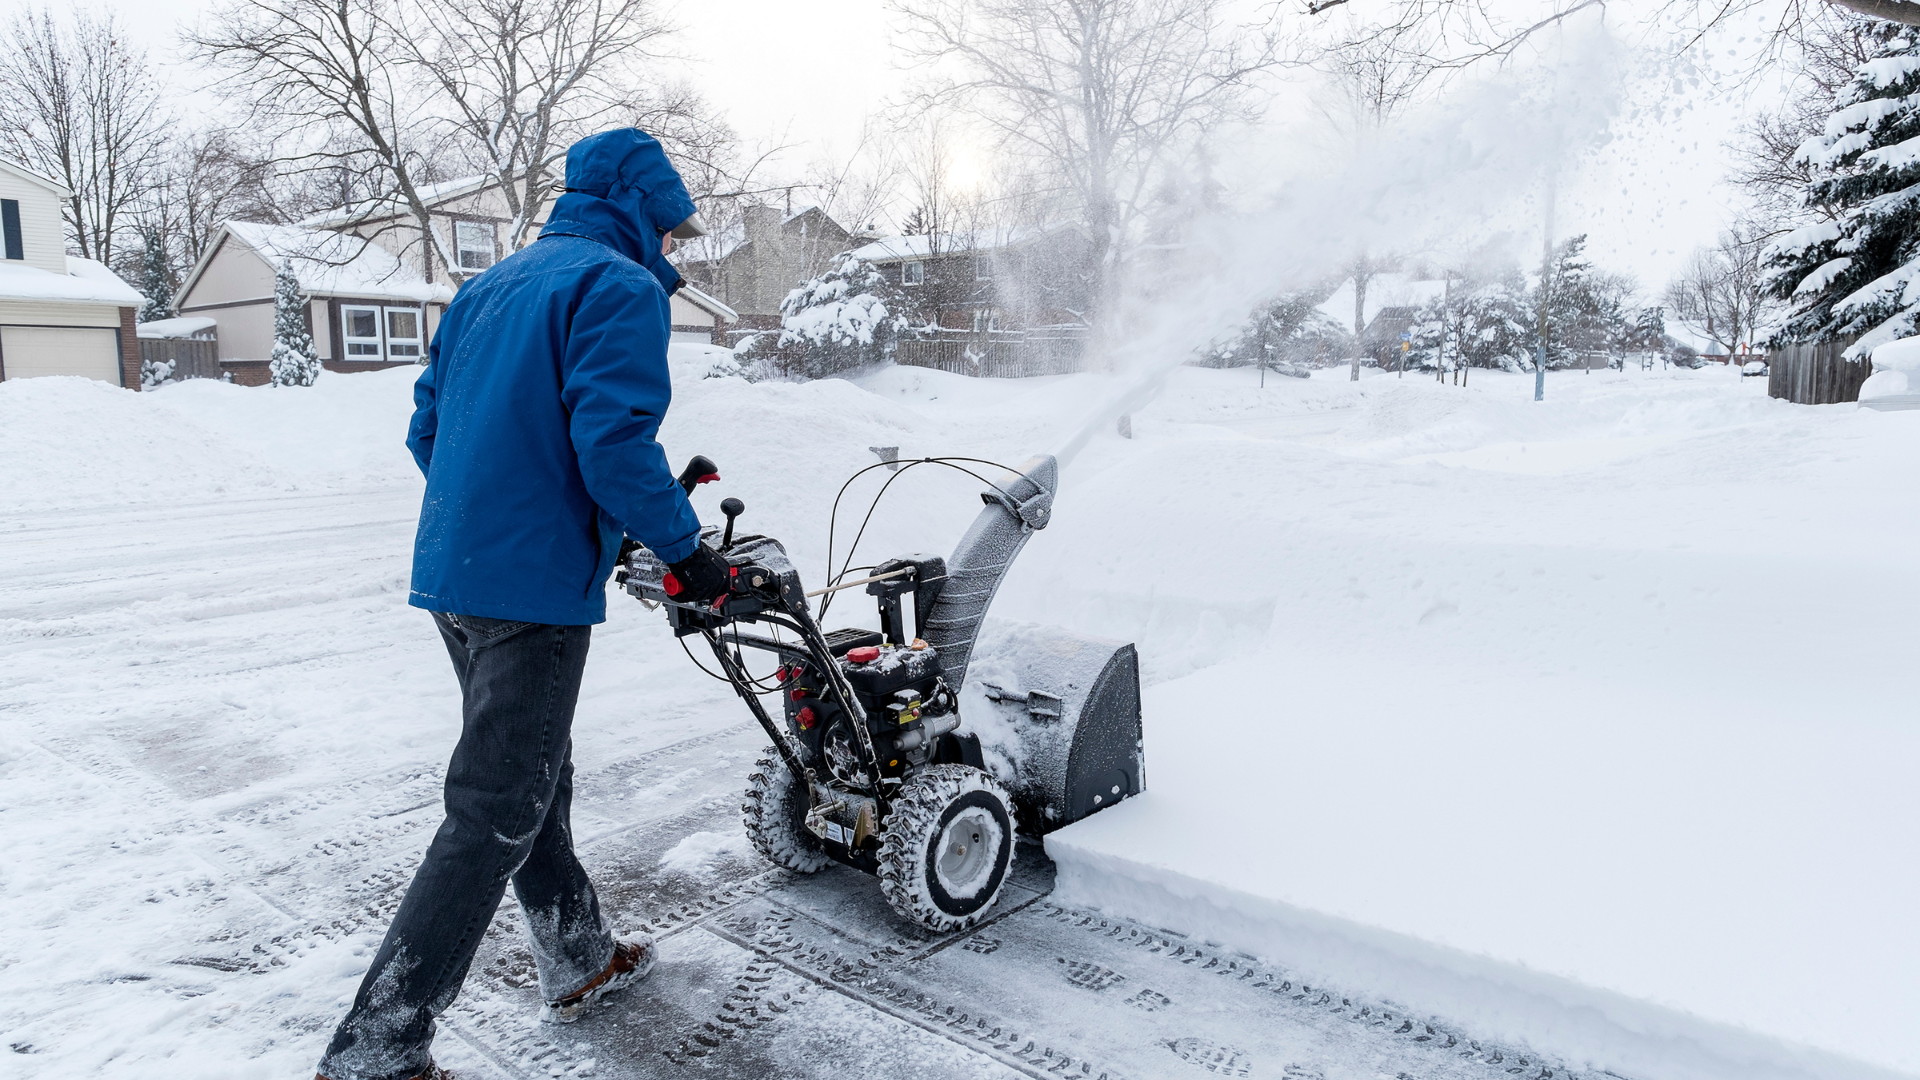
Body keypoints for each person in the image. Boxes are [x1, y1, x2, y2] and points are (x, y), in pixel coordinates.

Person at [315, 128, 736, 1080]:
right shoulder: (616, 288)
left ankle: (579, 955)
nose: (669, 250)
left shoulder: (490, 287)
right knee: (495, 808)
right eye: (668, 231)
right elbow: (613, 448)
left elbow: (430, 428)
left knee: (528, 774)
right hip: (530, 590)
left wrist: (505, 503)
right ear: (638, 209)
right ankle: (376, 1052)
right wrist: (686, 552)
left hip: (456, 573)